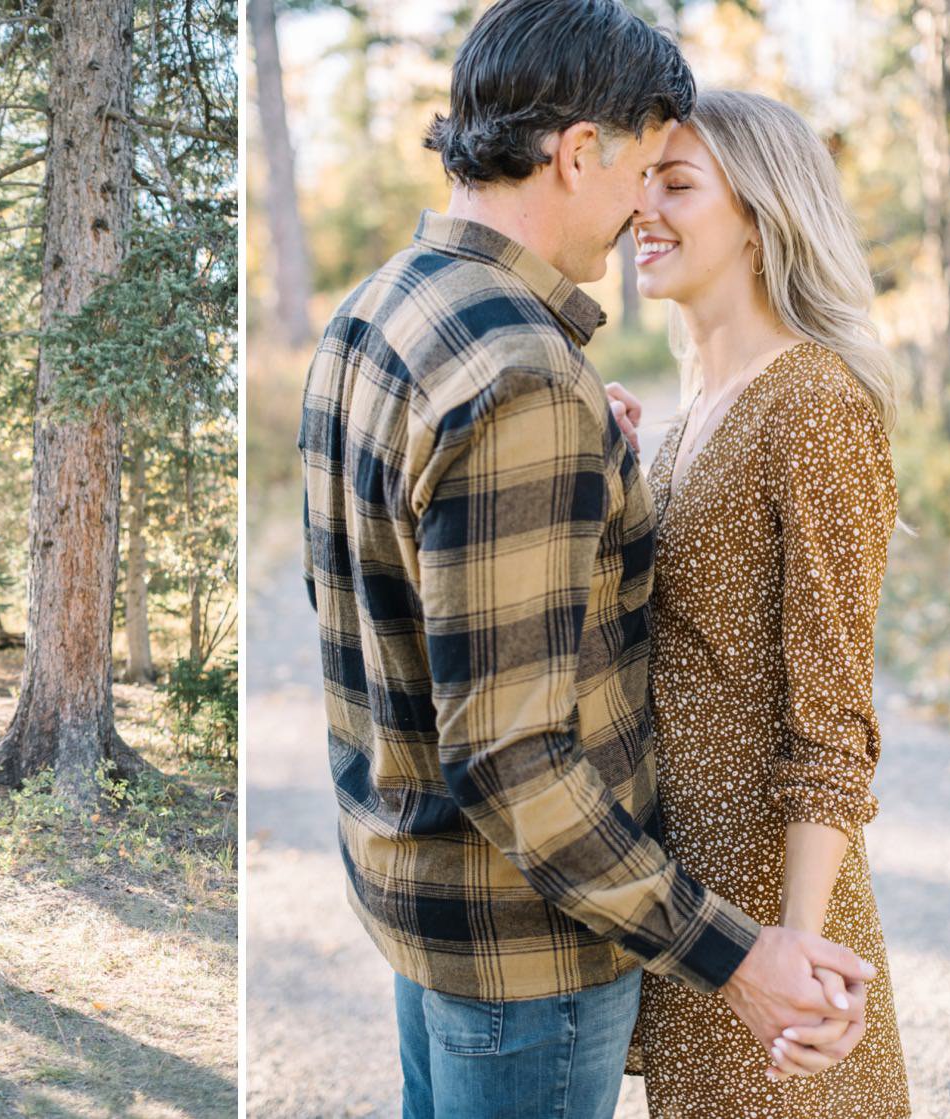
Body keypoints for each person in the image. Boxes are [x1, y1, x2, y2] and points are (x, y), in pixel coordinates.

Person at [296, 2, 873, 1115]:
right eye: (642, 169)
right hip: (531, 954)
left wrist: (591, 470)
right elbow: (514, 755)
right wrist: (737, 959)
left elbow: (390, 589)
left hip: (426, 908)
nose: (637, 209)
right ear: (576, 154)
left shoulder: (381, 309)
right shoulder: (520, 372)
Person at [610, 88, 911, 1116]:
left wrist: (793, 946)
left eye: (677, 183)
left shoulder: (815, 404)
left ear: (760, 210)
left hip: (775, 921)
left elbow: (831, 716)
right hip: (694, 920)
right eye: (640, 182)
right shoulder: (688, 416)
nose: (641, 207)